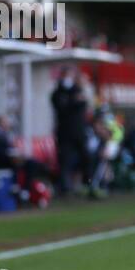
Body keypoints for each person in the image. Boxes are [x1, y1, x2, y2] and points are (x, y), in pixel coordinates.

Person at [50, 65, 90, 197]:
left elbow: (82, 104)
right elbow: (62, 108)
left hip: (79, 131)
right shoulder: (57, 93)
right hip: (65, 133)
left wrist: (72, 102)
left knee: (86, 157)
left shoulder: (77, 90)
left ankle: (87, 184)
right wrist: (74, 102)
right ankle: (65, 188)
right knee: (65, 161)